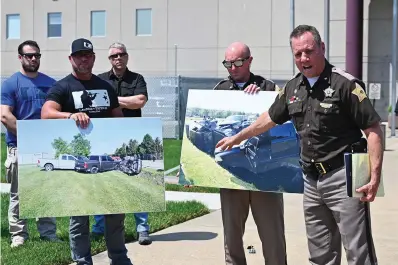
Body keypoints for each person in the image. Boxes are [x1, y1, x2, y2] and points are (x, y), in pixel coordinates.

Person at [216, 25, 383, 265]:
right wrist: (238, 137)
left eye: (309, 51)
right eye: (297, 54)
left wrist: (374, 175)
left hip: (345, 176)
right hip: (312, 181)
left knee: (358, 252)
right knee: (320, 254)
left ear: (321, 48)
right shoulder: (293, 88)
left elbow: (373, 129)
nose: (303, 58)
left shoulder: (346, 85)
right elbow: (269, 118)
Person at [41, 38, 133, 265]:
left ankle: (119, 259)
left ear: (93, 58)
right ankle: (82, 261)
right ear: (71, 59)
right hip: (80, 160)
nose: (85, 59)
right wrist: (69, 116)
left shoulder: (105, 87)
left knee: (115, 213)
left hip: (106, 160)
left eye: (88, 55)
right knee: (79, 217)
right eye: (80, 55)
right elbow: (46, 112)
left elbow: (117, 118)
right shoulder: (62, 87)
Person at [211, 41, 288, 265]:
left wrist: (262, 98)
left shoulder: (270, 88)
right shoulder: (220, 90)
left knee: (272, 234)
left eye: (237, 63)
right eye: (228, 64)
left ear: (250, 61)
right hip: (233, 175)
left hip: (266, 173)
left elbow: (284, 122)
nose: (232, 68)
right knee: (232, 236)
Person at [0, 40, 62, 248]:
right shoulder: (11, 84)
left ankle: (48, 233)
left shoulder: (51, 83)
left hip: (46, 147)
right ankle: (19, 234)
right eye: (29, 55)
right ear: (20, 58)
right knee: (19, 194)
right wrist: (28, 137)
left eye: (37, 55)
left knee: (46, 191)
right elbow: (5, 116)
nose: (34, 59)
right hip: (19, 146)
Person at [90, 41, 152, 246]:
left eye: (121, 54)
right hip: (105, 136)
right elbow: (95, 103)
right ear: (109, 59)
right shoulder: (98, 80)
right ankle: (99, 227)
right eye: (114, 56)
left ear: (127, 56)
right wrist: (126, 100)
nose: (118, 58)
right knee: (102, 181)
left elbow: (140, 101)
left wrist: (112, 100)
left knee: (137, 180)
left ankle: (142, 228)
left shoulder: (137, 79)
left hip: (131, 136)